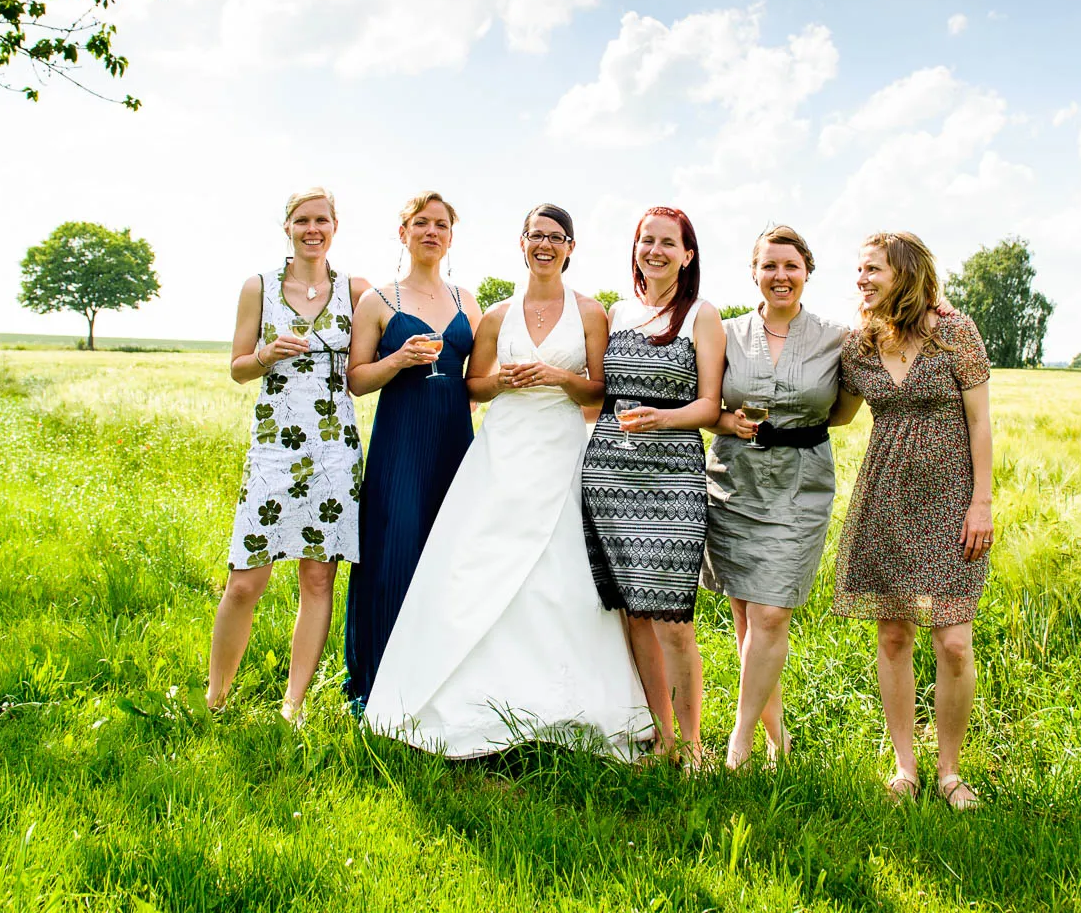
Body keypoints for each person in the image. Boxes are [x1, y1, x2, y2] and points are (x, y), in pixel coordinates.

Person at [365, 205, 652, 756]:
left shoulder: (591, 313)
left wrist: (559, 377)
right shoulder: (495, 315)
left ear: (571, 247)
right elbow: (472, 388)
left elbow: (600, 393)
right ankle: (474, 703)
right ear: (522, 244)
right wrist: (504, 380)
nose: (545, 245)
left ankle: (570, 710)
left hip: (564, 450)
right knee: (478, 564)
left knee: (564, 577)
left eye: (555, 237)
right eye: (535, 235)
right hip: (502, 454)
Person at [834, 231, 994, 808]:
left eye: (872, 269)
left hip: (953, 502)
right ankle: (906, 767)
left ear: (905, 272)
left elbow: (980, 422)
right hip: (886, 500)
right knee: (895, 632)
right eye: (858, 271)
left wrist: (982, 502)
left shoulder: (956, 333)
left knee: (952, 641)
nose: (862, 279)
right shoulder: (858, 345)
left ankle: (950, 772)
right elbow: (837, 413)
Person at [208, 187, 372, 720]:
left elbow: (371, 364)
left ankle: (294, 704)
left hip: (334, 449)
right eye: (302, 220)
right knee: (246, 580)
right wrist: (265, 353)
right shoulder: (259, 287)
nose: (312, 229)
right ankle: (215, 699)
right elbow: (237, 366)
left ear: (335, 226)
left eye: (321, 220)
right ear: (287, 227)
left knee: (318, 578)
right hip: (275, 444)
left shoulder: (357, 290)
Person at [702, 225, 860, 769]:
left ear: (807, 272)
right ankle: (777, 738)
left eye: (790, 266)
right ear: (754, 273)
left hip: (800, 483)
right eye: (769, 266)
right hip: (733, 479)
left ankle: (738, 745)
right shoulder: (725, 333)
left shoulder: (836, 338)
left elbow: (842, 410)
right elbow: (707, 402)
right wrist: (729, 420)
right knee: (747, 619)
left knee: (771, 615)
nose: (780, 276)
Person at [581, 206, 724, 763]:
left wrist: (663, 420)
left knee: (673, 617)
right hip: (610, 475)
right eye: (647, 240)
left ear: (687, 255)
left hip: (673, 476)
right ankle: (658, 734)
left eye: (669, 242)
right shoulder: (617, 312)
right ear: (635, 248)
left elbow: (710, 405)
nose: (656, 250)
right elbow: (597, 390)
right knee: (634, 613)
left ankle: (692, 746)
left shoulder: (700, 317)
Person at [343, 191, 481, 709]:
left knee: (451, 557)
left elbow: (478, 378)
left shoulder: (468, 300)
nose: (431, 232)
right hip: (400, 442)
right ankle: (381, 682)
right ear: (403, 233)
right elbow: (357, 381)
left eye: (441, 224)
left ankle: (441, 676)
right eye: (420, 223)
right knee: (395, 550)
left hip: (455, 442)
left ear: (450, 235)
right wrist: (398, 358)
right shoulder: (378, 301)